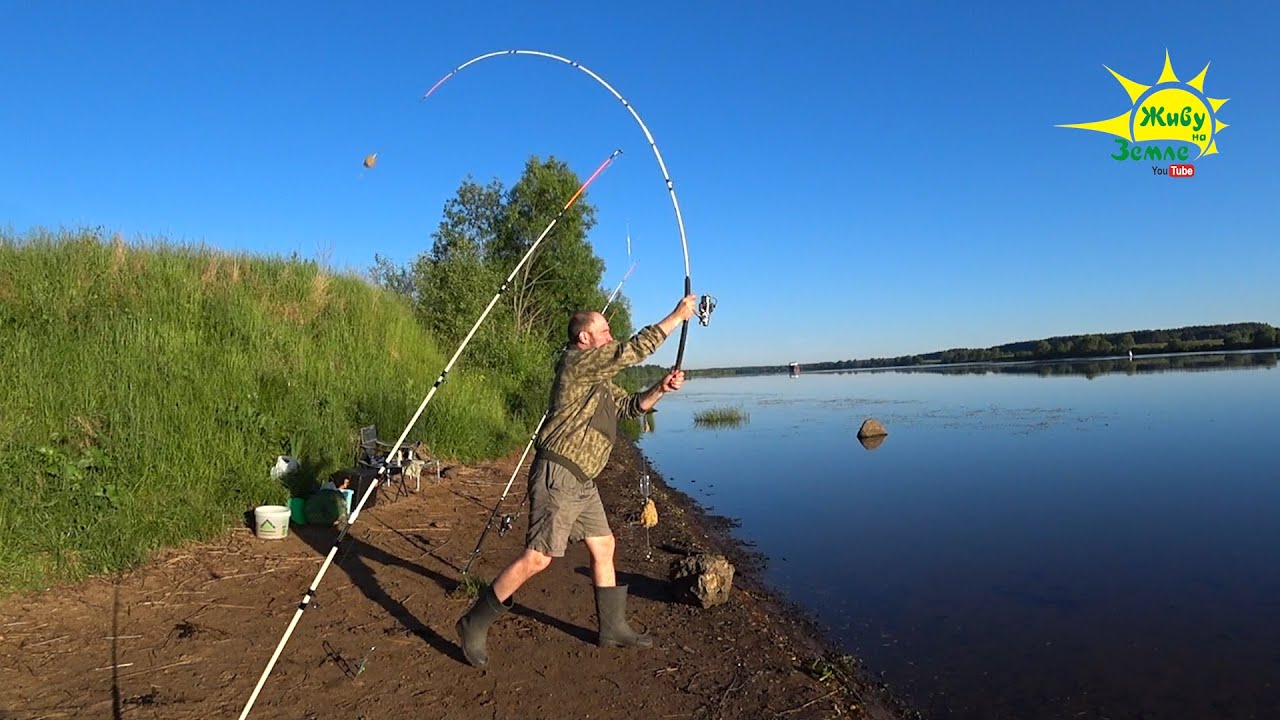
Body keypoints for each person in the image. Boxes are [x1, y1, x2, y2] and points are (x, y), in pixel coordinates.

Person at [455, 293, 698, 668]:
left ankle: (613, 629)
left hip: (582, 479)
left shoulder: (597, 381)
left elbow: (630, 407)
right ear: (584, 338)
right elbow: (632, 351)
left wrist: (660, 389)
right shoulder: (576, 363)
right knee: (538, 558)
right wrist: (677, 316)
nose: (610, 334)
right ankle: (474, 622)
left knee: (604, 545)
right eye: (603, 330)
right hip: (559, 473)